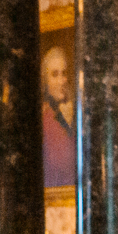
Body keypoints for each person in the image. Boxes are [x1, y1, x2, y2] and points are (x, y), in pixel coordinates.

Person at [41, 44, 76, 190]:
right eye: (55, 75)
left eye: (64, 73)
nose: (62, 81)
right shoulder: (42, 121)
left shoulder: (76, 116)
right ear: (45, 81)